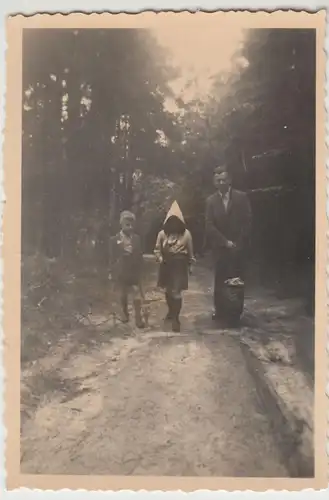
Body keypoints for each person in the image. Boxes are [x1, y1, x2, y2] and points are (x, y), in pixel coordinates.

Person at [205, 165, 252, 325]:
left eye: (224, 179)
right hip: (220, 247)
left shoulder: (241, 197)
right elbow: (209, 225)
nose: (221, 182)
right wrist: (224, 241)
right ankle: (220, 312)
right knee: (220, 278)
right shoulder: (211, 201)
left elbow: (247, 221)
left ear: (230, 180)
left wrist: (238, 242)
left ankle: (235, 313)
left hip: (238, 246)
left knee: (237, 279)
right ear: (214, 182)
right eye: (218, 180)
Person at [154, 201, 195, 332]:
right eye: (171, 221)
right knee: (167, 290)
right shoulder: (162, 234)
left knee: (176, 291)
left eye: (176, 221)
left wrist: (191, 265)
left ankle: (176, 319)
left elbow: (190, 252)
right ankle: (171, 311)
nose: (174, 224)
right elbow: (157, 250)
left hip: (180, 264)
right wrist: (160, 258)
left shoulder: (186, 234)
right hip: (166, 264)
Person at [109, 210, 145, 328]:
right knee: (123, 294)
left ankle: (138, 317)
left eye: (131, 224)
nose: (130, 227)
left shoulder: (137, 238)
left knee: (136, 293)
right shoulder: (114, 239)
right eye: (127, 224)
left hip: (133, 270)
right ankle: (125, 313)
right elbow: (112, 258)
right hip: (121, 270)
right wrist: (111, 272)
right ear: (121, 224)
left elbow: (140, 255)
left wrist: (141, 271)